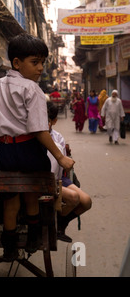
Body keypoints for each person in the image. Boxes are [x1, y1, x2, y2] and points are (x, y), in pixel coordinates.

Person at [0, 33, 75, 260]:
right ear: (17, 63)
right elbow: (38, 130)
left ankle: (9, 246)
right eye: (35, 62)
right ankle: (34, 238)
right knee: (31, 195)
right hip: (28, 150)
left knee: (10, 200)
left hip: (4, 151)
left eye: (42, 63)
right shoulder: (32, 89)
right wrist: (60, 156)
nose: (40, 69)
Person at [47, 101, 92, 243]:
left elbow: (64, 164)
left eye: (47, 121)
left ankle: (61, 223)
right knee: (73, 198)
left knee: (86, 201)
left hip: (59, 178)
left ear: (54, 121)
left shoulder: (58, 137)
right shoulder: (31, 137)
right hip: (43, 180)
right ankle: (55, 224)